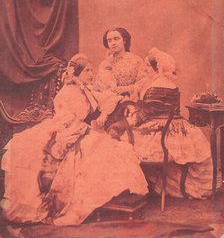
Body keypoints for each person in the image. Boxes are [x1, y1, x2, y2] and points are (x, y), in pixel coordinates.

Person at [1, 54, 148, 226]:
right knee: (103, 153)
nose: (91, 74)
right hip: (69, 131)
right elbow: (65, 119)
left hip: (85, 131)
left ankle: (117, 199)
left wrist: (119, 103)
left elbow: (104, 99)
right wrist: (85, 129)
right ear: (77, 72)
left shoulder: (86, 89)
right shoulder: (68, 92)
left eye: (92, 70)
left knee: (118, 150)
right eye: (87, 71)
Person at [126, 47, 222, 199]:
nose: (144, 69)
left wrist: (131, 117)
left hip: (160, 131)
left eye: (146, 66)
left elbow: (146, 114)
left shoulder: (153, 87)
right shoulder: (171, 84)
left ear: (156, 67)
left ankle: (139, 187)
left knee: (126, 141)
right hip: (178, 126)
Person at [95, 27, 150, 99]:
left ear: (124, 40)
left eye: (116, 39)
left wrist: (128, 89)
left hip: (131, 100)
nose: (113, 43)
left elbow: (144, 81)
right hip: (109, 101)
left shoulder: (136, 60)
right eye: (109, 41)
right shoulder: (105, 64)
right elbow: (100, 87)